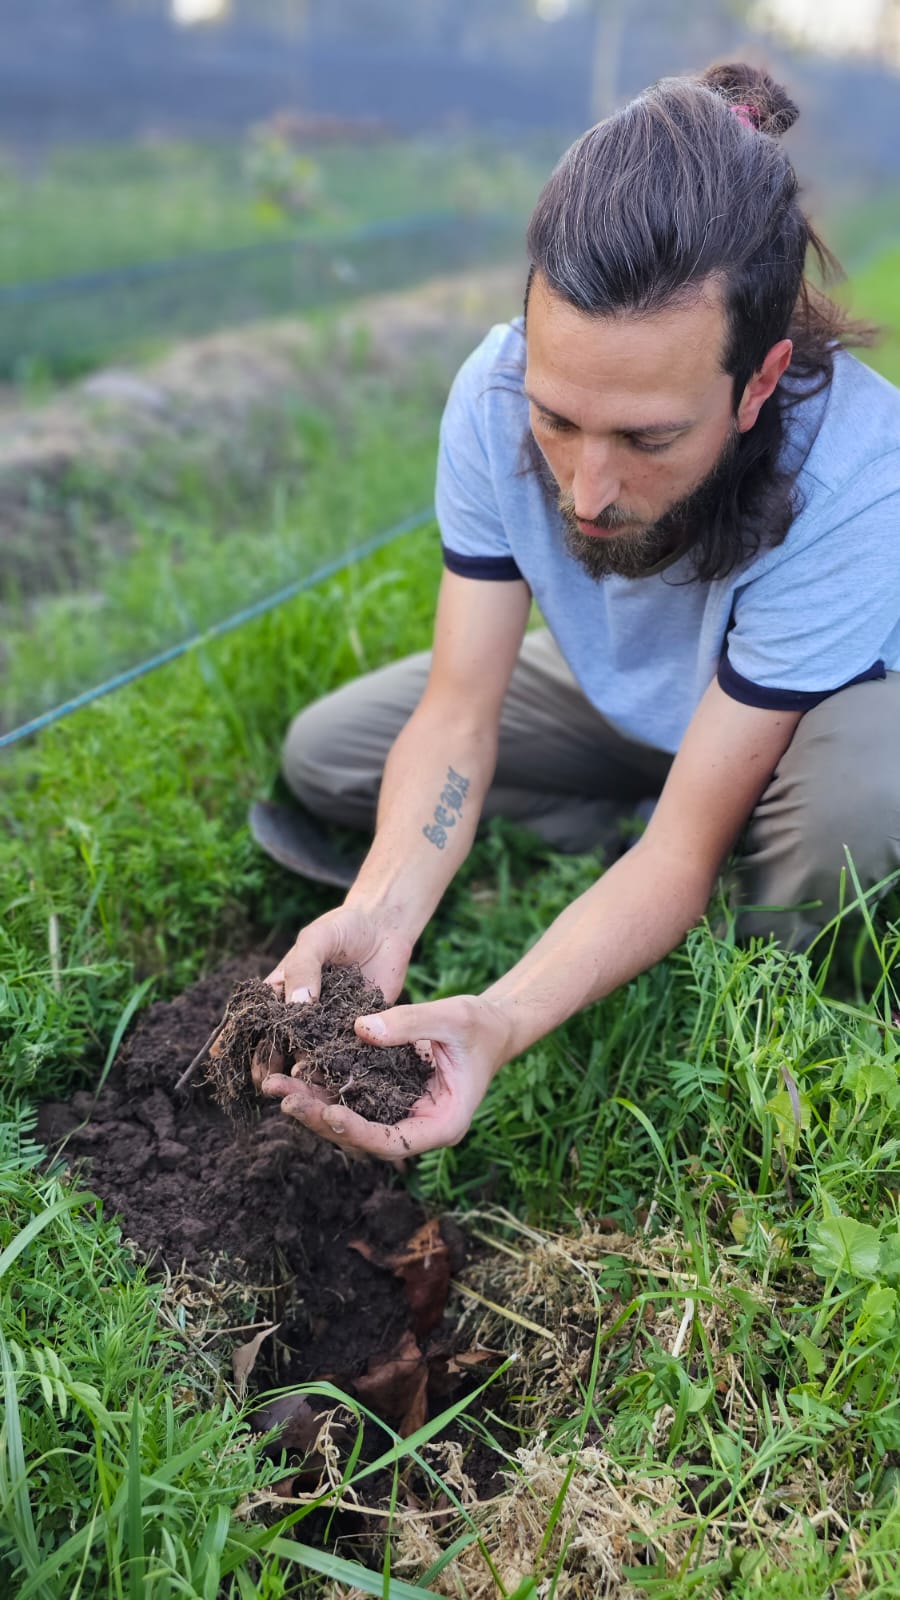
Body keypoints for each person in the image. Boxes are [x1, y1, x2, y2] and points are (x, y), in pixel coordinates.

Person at [257, 62, 900, 1160]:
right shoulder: (493, 391)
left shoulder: (858, 475)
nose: (586, 490)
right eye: (561, 419)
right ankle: (647, 830)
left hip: (818, 715)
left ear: (758, 384)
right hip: (643, 697)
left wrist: (502, 1018)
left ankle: (755, 904)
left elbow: (681, 847)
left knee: (859, 823)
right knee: (333, 756)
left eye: (648, 438)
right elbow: (461, 712)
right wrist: (379, 911)